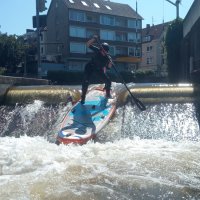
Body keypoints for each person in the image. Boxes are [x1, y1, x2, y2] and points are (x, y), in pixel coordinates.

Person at [81, 35, 113, 104]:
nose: (104, 53)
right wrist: (93, 39)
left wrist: (110, 65)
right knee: (85, 82)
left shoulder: (108, 58)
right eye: (103, 51)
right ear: (101, 49)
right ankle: (83, 97)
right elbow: (87, 44)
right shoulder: (97, 50)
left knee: (108, 81)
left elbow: (107, 68)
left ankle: (107, 94)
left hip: (98, 69)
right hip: (90, 67)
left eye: (106, 52)